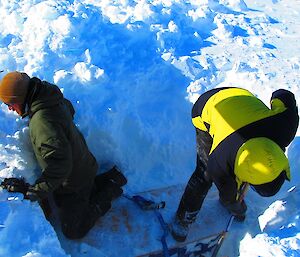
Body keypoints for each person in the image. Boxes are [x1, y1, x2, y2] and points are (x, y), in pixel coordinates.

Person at [0, 71, 127, 239]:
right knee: (61, 199)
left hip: (74, 181)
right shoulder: (49, 97)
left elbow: (60, 166)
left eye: (11, 103)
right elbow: (70, 110)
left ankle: (110, 188)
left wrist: (34, 192)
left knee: (73, 230)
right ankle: (109, 178)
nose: (9, 108)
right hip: (83, 163)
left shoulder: (43, 123)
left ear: (23, 97)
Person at [170, 87, 299, 242]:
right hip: (207, 106)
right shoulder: (220, 160)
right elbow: (226, 187)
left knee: (244, 167)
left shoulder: (285, 126)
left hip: (240, 99)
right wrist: (232, 203)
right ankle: (182, 220)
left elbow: (282, 95)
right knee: (204, 174)